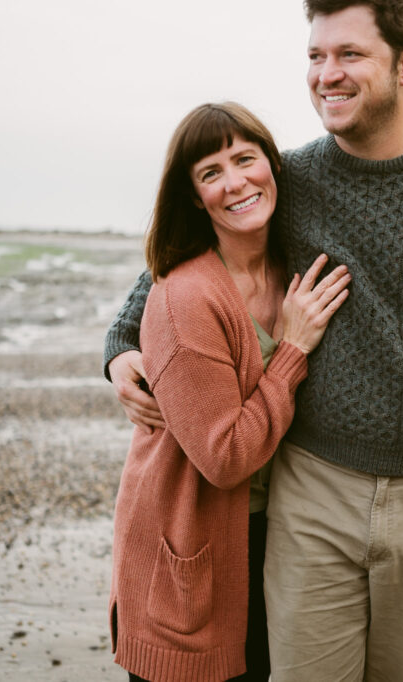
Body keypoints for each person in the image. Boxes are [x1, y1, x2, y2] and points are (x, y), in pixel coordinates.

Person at [105, 1, 403, 680]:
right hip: (310, 487)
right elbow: (179, 266)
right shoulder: (291, 179)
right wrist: (120, 346)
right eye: (315, 57)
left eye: (349, 55)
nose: (327, 75)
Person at [108, 101, 351, 682]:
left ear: (273, 164)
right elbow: (225, 458)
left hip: (280, 530)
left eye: (246, 159)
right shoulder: (189, 293)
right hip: (192, 536)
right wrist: (291, 351)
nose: (235, 181)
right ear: (193, 196)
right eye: (211, 172)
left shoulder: (296, 257)